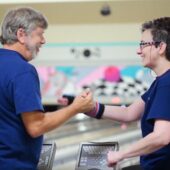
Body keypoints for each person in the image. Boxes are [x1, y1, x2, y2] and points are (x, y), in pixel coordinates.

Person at [61, 17, 170, 170]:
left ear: (161, 47)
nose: (138, 51)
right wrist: (86, 106)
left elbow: (162, 136)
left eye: (143, 44)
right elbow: (129, 113)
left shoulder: (167, 83)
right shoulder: (160, 82)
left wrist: (121, 154)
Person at [0, 7, 94, 170]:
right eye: (40, 34)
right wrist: (75, 108)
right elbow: (36, 127)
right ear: (21, 35)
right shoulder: (22, 70)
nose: (43, 40)